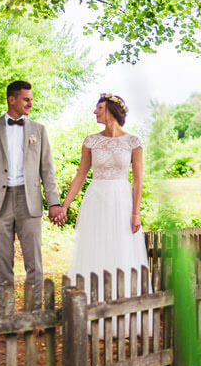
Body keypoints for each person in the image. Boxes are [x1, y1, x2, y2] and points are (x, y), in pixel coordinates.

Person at [0, 80, 64, 312]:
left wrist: (54, 202)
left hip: (30, 201)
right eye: (26, 99)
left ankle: (35, 313)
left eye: (31, 99)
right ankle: (7, 314)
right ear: (11, 99)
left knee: (34, 262)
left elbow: (47, 170)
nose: (30, 104)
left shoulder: (39, 130)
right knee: (3, 264)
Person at [59, 93, 149, 294]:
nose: (95, 112)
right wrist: (65, 205)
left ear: (111, 110)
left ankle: (122, 296)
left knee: (121, 245)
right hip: (96, 198)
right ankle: (93, 297)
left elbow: (137, 181)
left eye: (99, 108)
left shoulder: (133, 142)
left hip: (122, 199)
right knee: (95, 245)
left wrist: (136, 213)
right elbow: (80, 176)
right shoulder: (91, 141)